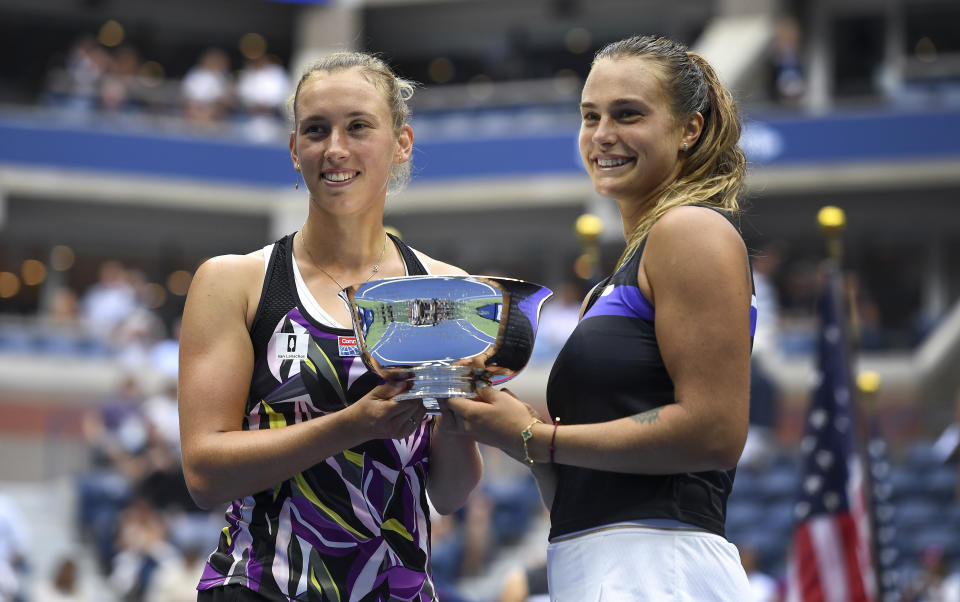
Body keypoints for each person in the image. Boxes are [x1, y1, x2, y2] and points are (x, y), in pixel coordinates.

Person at [443, 34, 755, 599]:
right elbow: (583, 491)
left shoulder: (692, 231)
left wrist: (541, 436)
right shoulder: (610, 284)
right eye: (590, 116)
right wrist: (511, 430)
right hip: (591, 563)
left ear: (691, 128)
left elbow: (714, 431)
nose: (602, 134)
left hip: (663, 568)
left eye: (628, 114)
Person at [178, 51, 482, 602]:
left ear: (402, 144)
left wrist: (461, 413)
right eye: (316, 130)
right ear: (295, 151)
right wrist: (351, 425)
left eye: (358, 127)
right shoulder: (236, 282)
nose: (335, 149)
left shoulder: (442, 288)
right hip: (261, 587)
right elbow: (204, 474)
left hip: (397, 590)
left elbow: (451, 492)